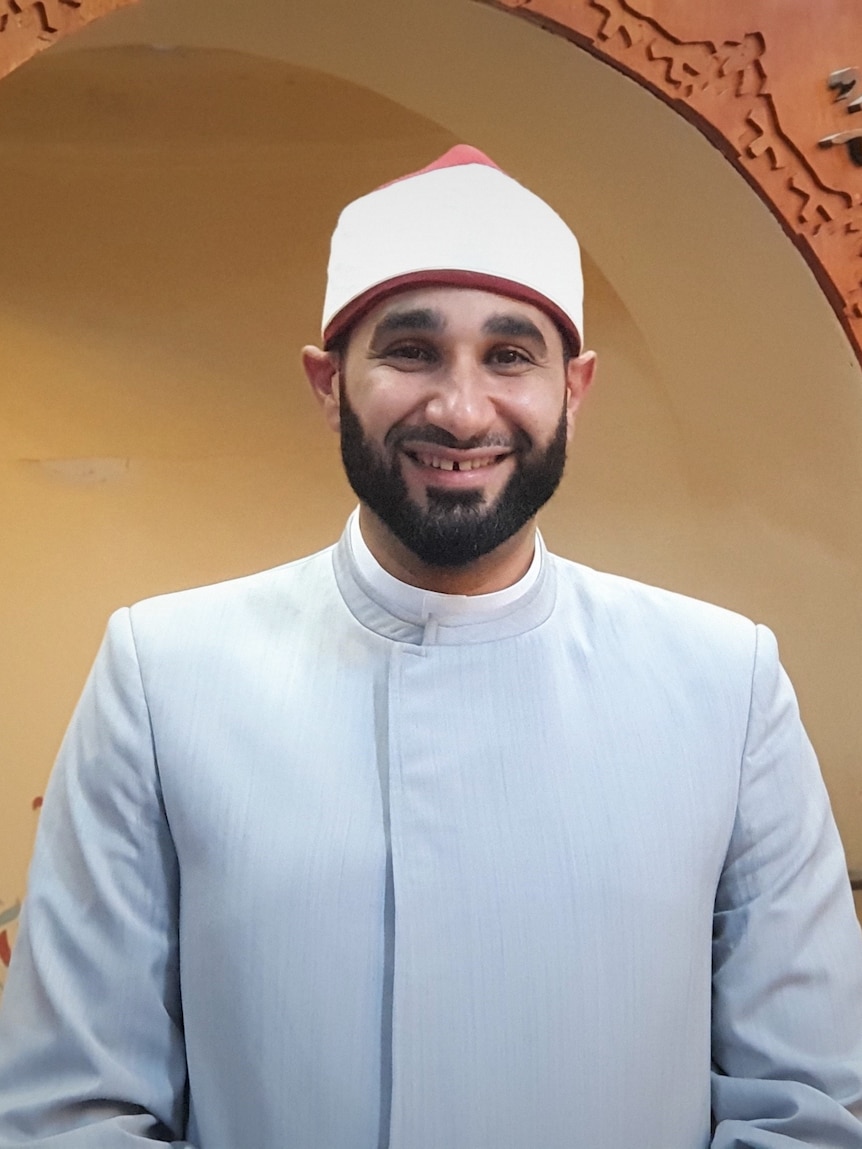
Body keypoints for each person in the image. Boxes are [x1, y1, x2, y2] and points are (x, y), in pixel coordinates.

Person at [0, 145, 860, 1149]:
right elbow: (72, 1112)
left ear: (574, 391)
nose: (460, 409)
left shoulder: (726, 684)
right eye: (411, 351)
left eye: (509, 356)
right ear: (328, 385)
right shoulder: (163, 675)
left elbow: (806, 1110)